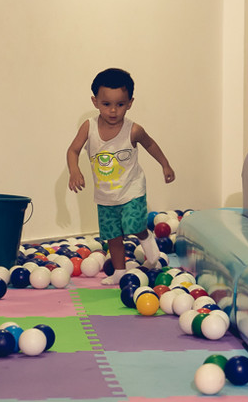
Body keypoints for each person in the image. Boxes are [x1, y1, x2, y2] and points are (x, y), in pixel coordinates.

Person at [67, 67, 175, 285]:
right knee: (113, 235)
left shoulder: (133, 130)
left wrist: (165, 165)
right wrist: (74, 170)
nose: (113, 111)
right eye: (106, 104)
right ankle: (119, 271)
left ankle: (152, 253)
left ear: (130, 103)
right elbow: (73, 150)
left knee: (134, 225)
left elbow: (150, 145)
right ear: (95, 102)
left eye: (120, 104)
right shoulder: (89, 127)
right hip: (105, 195)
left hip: (131, 188)